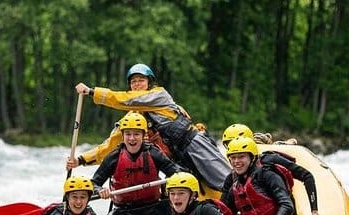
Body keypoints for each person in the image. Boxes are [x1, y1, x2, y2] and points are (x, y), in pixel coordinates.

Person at [68, 63, 231, 191]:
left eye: (141, 80)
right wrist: (82, 159)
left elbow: (124, 99)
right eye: (133, 82)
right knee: (186, 190)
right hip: (176, 158)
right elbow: (111, 144)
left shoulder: (159, 94)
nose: (137, 84)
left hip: (193, 144)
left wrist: (91, 91)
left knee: (225, 180)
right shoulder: (133, 119)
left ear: (150, 83)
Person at [89, 111, 184, 215]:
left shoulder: (154, 153)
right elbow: (93, 183)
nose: (132, 138)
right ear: (123, 135)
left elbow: (176, 173)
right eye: (128, 134)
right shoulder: (114, 157)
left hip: (154, 209)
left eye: (136, 134)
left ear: (143, 135)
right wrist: (99, 190)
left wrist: (172, 184)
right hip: (125, 211)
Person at [222, 123, 319, 215]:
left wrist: (314, 211)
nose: (235, 146)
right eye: (230, 145)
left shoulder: (270, 160)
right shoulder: (233, 176)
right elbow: (223, 208)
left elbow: (307, 176)